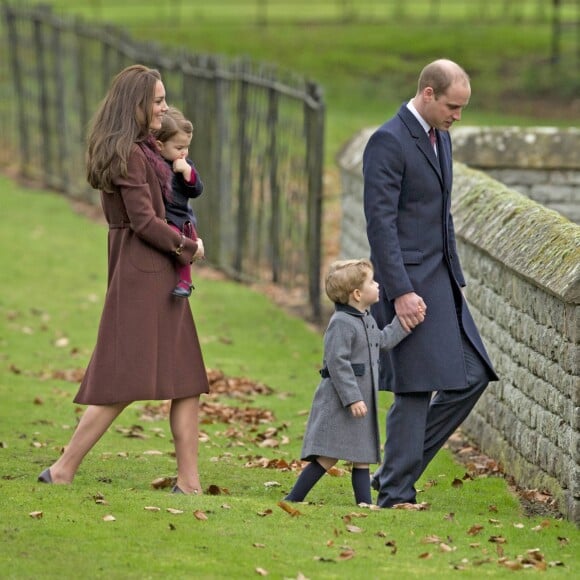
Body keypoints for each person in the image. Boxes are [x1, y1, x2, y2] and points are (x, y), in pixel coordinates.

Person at [37, 64, 209, 495]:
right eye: (157, 100)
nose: (164, 107)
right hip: (145, 273)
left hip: (154, 273)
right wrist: (189, 248)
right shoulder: (131, 155)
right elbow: (144, 222)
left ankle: (188, 483)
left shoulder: (140, 149)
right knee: (123, 381)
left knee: (187, 379)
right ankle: (62, 468)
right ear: (134, 105)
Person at [362, 58, 498, 508]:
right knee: (415, 385)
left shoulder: (440, 137)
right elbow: (380, 225)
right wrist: (400, 292)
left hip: (441, 279)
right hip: (408, 283)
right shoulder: (388, 141)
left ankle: (393, 474)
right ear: (427, 94)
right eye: (453, 106)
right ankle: (396, 493)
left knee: (474, 374)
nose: (458, 116)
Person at [284, 259, 422, 505]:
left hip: (360, 402)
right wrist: (353, 398)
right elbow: (337, 363)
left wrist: (403, 323)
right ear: (357, 294)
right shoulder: (341, 324)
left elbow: (381, 341)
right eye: (372, 281)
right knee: (328, 456)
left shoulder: (364, 318)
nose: (377, 284)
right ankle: (294, 497)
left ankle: (365, 504)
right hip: (341, 402)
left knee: (362, 455)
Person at [154, 106, 204, 298]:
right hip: (164, 216)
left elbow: (197, 190)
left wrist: (187, 173)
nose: (184, 152)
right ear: (159, 146)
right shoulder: (155, 164)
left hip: (180, 218)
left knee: (180, 241)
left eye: (186, 147)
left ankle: (185, 282)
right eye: (179, 147)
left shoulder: (185, 166)